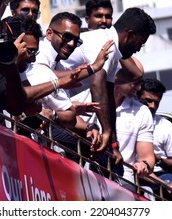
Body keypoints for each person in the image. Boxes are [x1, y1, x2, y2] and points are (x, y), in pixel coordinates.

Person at [58, 7, 156, 163]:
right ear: (129, 34)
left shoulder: (113, 50)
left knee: (105, 153)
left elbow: (109, 99)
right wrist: (106, 131)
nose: (138, 49)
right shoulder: (105, 43)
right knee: (92, 148)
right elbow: (97, 85)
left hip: (59, 101)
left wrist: (113, 143)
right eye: (140, 43)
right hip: (45, 99)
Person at [25, 12, 114, 160]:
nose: (72, 44)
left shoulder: (54, 62)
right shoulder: (40, 58)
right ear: (49, 33)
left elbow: (66, 110)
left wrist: (89, 126)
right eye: (67, 37)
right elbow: (67, 113)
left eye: (76, 41)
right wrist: (94, 67)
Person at [137, 78, 172, 198]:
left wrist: (157, 158)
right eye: (148, 101)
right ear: (137, 96)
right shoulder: (126, 116)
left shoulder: (166, 126)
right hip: (130, 167)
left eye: (156, 102)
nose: (153, 106)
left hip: (158, 174)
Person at [113, 59, 155, 191]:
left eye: (140, 83)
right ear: (117, 77)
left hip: (123, 178)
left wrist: (144, 165)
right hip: (88, 169)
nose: (139, 88)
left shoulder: (142, 111)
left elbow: (147, 157)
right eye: (134, 82)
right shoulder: (88, 95)